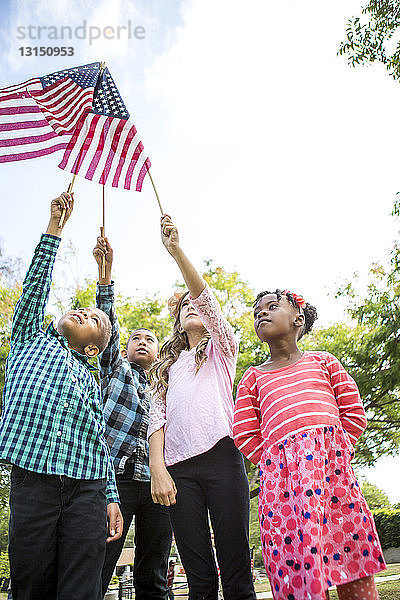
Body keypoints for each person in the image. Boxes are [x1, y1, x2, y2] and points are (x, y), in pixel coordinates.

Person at [1, 192, 122, 600]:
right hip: (34, 478)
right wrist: (56, 226)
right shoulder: (31, 339)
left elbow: (99, 440)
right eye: (82, 310)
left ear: (93, 349)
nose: (81, 312)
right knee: (31, 582)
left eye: (91, 318)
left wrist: (109, 496)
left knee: (81, 587)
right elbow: (36, 287)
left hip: (87, 487)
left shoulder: (92, 373)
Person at [233, 289, 386, 600]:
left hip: (334, 483)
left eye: (272, 307)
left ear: (298, 319)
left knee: (350, 550)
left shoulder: (324, 362)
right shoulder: (253, 378)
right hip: (284, 492)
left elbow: (354, 413)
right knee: (299, 566)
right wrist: (279, 463)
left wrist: (332, 453)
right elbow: (244, 433)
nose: (262, 313)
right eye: (257, 311)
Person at [147, 214, 256, 600]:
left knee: (236, 568)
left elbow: (206, 300)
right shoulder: (165, 368)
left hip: (222, 456)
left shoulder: (222, 349)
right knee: (199, 578)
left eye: (198, 304)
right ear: (178, 322)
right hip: (178, 471)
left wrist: (176, 251)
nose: (193, 306)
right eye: (185, 306)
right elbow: (155, 420)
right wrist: (158, 469)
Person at [93, 236, 172, 599]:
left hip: (158, 484)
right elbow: (107, 325)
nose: (142, 341)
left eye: (150, 338)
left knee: (153, 568)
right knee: (102, 560)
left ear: (160, 350)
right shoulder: (116, 370)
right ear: (123, 348)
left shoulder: (168, 386)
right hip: (117, 481)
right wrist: (106, 276)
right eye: (135, 337)